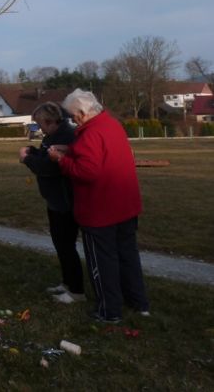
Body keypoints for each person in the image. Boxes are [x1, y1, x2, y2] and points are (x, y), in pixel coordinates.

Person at [48, 89, 150, 323]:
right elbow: (97, 155)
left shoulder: (89, 134)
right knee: (128, 257)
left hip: (100, 210)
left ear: (83, 113)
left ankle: (109, 310)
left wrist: (62, 160)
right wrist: (70, 150)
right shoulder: (111, 125)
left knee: (103, 262)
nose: (73, 120)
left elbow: (87, 172)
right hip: (125, 205)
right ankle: (139, 302)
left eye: (73, 116)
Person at [19, 102, 85, 303]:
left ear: (50, 122)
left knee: (66, 245)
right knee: (60, 244)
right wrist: (32, 151)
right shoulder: (53, 136)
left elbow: (49, 167)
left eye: (40, 125)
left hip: (65, 201)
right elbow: (44, 154)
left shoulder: (66, 136)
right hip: (55, 200)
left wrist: (26, 160)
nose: (39, 129)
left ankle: (77, 290)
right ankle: (67, 282)